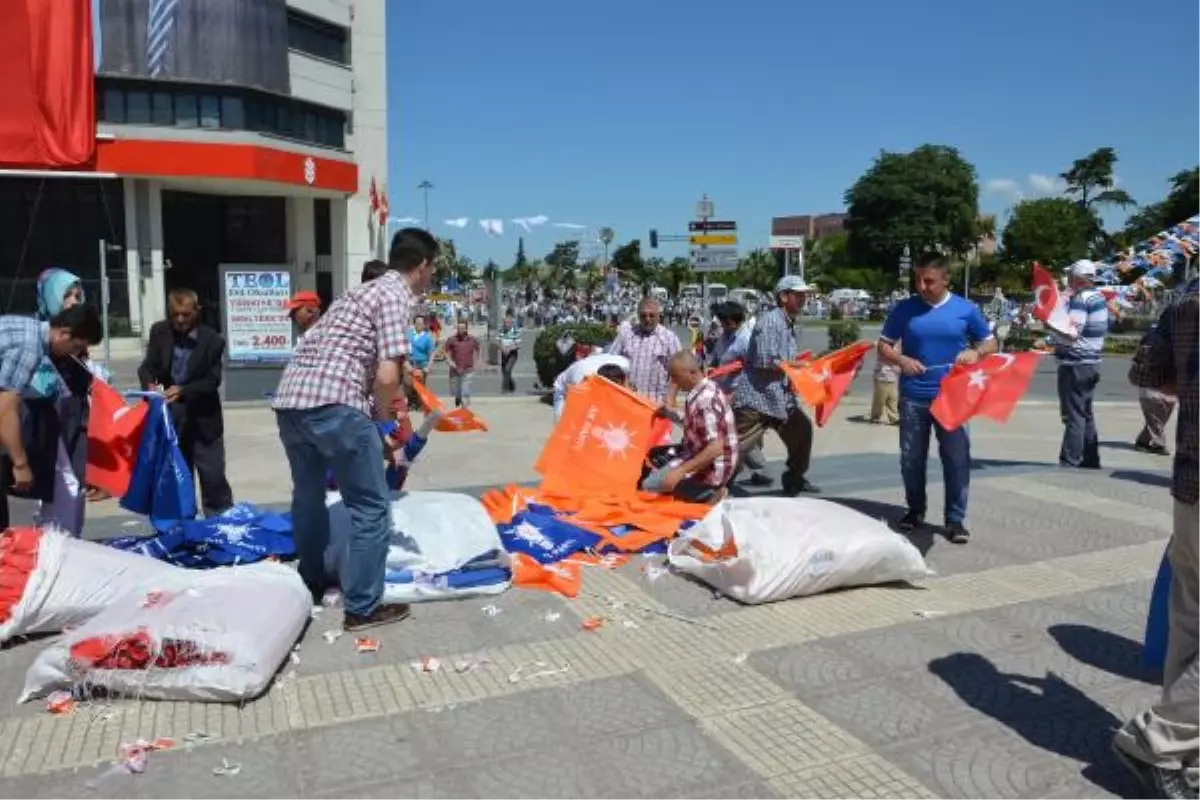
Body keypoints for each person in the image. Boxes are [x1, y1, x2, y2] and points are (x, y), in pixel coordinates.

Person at [273, 227, 437, 631]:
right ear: (423, 266)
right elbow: (386, 375)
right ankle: (363, 607)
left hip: (291, 402)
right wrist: (383, 423)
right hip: (335, 404)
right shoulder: (397, 296)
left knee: (308, 498)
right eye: (433, 269)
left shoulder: (359, 292)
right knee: (371, 506)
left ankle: (309, 582)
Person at [1113, 285, 1200, 798]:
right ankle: (1160, 741)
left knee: (1189, 624)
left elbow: (1146, 372)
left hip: (1189, 484)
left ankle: (1183, 756)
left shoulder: (1187, 294)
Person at [878, 254, 995, 544]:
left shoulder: (965, 310)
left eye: (928, 280)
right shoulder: (905, 309)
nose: (921, 286)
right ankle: (915, 510)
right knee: (911, 459)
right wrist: (901, 359)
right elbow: (883, 346)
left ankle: (955, 520)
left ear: (945, 279)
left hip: (953, 398)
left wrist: (976, 352)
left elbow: (991, 342)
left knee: (956, 459)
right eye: (917, 279)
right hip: (914, 397)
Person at [0, 305, 103, 531]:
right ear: (63, 333)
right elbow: (6, 407)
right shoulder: (30, 347)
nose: (73, 355)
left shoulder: (26, 328)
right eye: (75, 347)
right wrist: (20, 464)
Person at [138, 289, 234, 517]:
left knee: (213, 477)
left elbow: (212, 381)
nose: (180, 320)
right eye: (175, 315)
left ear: (196, 312)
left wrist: (183, 390)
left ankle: (219, 523)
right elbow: (147, 367)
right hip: (172, 419)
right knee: (179, 477)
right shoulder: (159, 332)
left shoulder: (212, 340)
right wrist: (149, 386)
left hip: (203, 419)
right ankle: (183, 524)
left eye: (186, 315)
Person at [730, 275, 819, 495]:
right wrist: (797, 366)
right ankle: (713, 485)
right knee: (733, 449)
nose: (803, 299)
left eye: (804, 295)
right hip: (756, 401)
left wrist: (799, 367)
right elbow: (764, 360)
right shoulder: (771, 321)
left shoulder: (786, 322)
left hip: (779, 399)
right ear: (783, 296)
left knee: (802, 431)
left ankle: (795, 478)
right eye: (798, 295)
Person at [643, 352, 738, 503]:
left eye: (675, 377)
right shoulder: (701, 390)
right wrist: (669, 413)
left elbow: (715, 448)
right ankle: (696, 492)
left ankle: (706, 495)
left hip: (712, 469)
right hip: (696, 453)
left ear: (692, 373)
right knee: (655, 460)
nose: (673, 382)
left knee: (648, 487)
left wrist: (681, 471)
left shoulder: (705, 401)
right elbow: (692, 423)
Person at [1050, 259, 1108, 469]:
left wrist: (1049, 325)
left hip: (1076, 363)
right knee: (1085, 413)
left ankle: (1070, 460)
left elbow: (1071, 332)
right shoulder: (1098, 297)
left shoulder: (1082, 299)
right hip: (1091, 362)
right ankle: (1090, 459)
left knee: (1073, 414)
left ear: (1076, 278)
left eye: (1069, 276)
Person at [606, 297, 682, 405]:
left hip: (657, 404)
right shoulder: (626, 335)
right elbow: (610, 363)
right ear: (638, 315)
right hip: (628, 401)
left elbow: (679, 372)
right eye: (643, 315)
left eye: (652, 315)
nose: (647, 319)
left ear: (658, 315)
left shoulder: (669, 338)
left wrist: (670, 398)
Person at [551, 350, 631, 420]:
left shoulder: (625, 364)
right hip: (563, 389)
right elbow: (582, 407)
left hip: (591, 368)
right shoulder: (581, 380)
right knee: (564, 425)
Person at [439, 320, 481, 408]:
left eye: (463, 328)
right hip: (455, 369)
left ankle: (464, 408)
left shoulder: (472, 339)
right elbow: (445, 351)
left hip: (468, 369)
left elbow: (479, 349)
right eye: (459, 328)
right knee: (456, 390)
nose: (461, 330)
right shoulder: (452, 339)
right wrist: (449, 361)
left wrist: (478, 360)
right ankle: (458, 397)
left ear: (466, 329)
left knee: (465, 390)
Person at [1136, 387, 1176, 456]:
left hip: (1170, 388)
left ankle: (1143, 440)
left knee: (1160, 419)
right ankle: (1159, 444)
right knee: (1155, 416)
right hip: (1151, 388)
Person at [870, 358, 900, 425]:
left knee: (893, 398)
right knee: (880, 399)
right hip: (882, 377)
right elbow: (883, 357)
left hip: (892, 377)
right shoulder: (883, 348)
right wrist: (894, 365)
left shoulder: (896, 348)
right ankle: (875, 417)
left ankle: (893, 418)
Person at [499, 313, 522, 394]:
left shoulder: (515, 331)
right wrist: (502, 348)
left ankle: (504, 389)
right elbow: (499, 341)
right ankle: (511, 385)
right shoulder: (501, 330)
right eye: (505, 323)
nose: (506, 325)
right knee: (504, 371)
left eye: (508, 323)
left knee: (508, 369)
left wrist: (509, 348)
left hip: (512, 354)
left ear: (511, 323)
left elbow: (518, 345)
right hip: (503, 354)